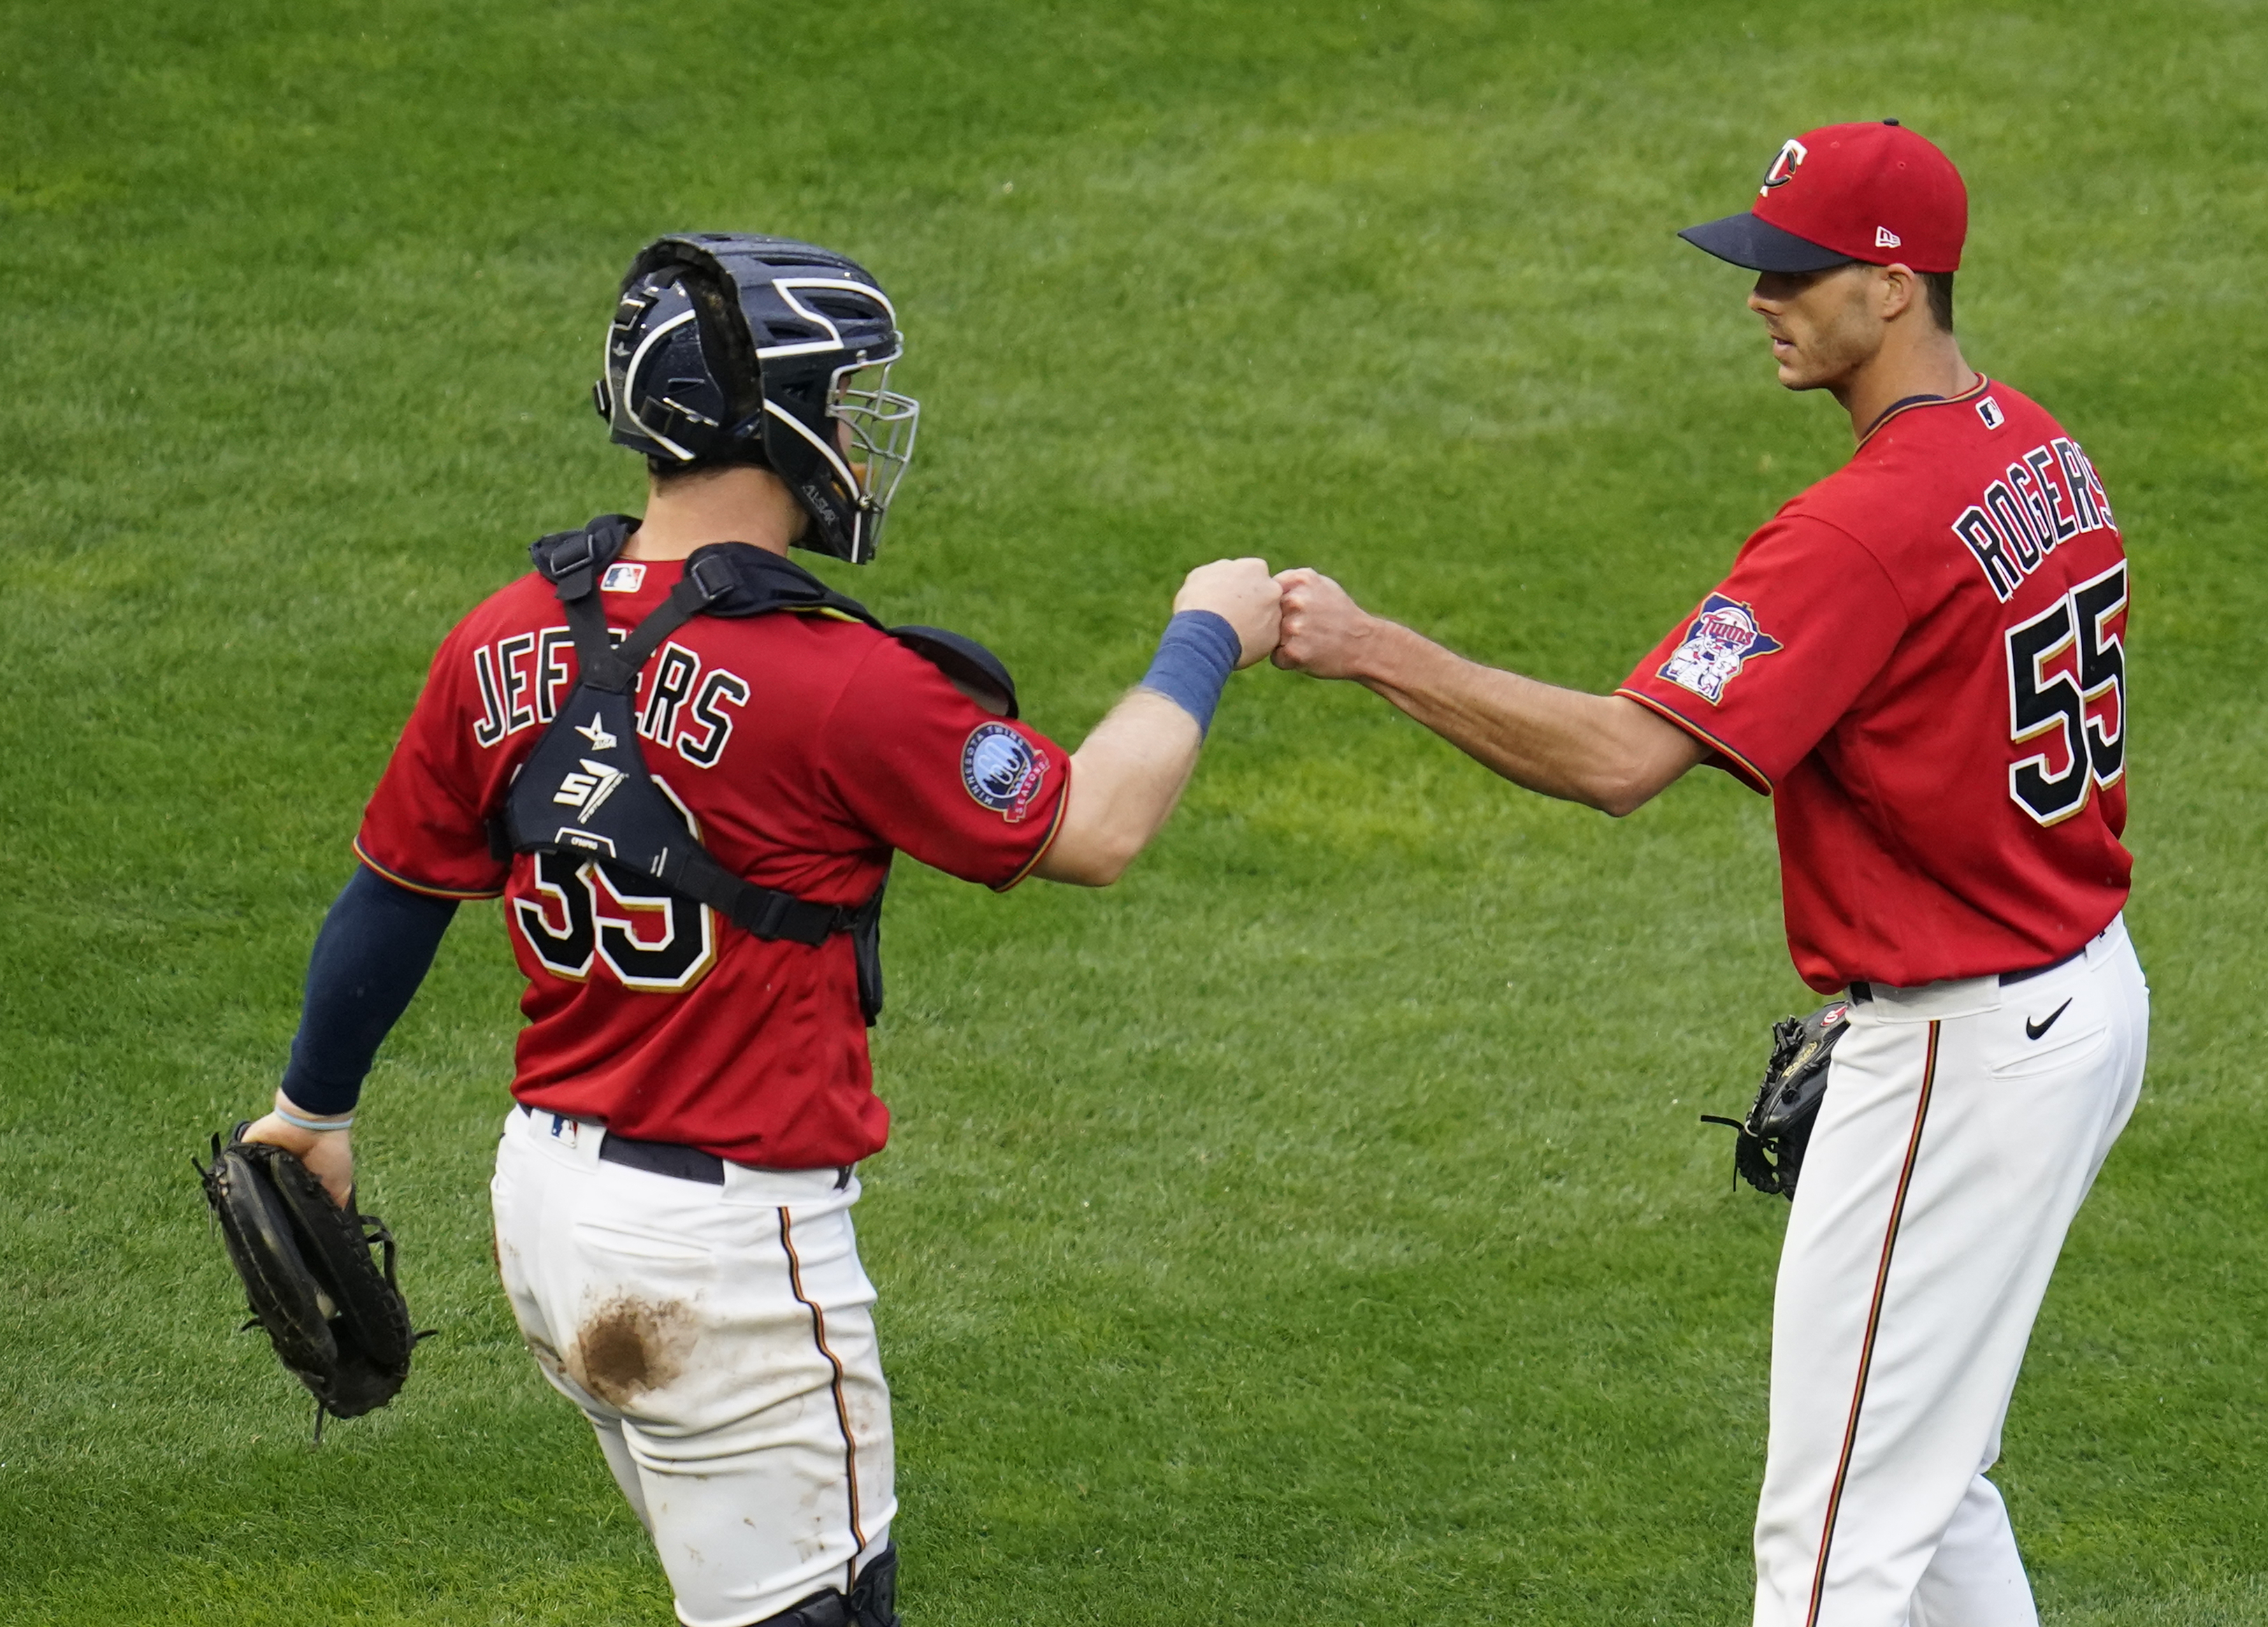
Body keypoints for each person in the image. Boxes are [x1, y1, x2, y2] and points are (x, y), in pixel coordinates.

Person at [236, 233, 1281, 1627]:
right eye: (844, 397)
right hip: (724, 1262)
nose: (859, 432)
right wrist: (1207, 634)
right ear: (773, 420)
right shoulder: (837, 682)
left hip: (547, 1216)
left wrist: (313, 1106)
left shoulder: (500, 638)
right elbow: (1091, 827)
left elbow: (396, 892)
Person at [1270, 124, 2146, 1626]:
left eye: (1794, 271)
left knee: (1827, 1553)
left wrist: (1367, 647)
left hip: (1962, 1047)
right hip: (2069, 994)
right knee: (1926, 1491)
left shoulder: (1861, 527)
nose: (1760, 294)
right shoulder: (2033, 444)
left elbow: (1620, 758)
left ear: (1892, 288)